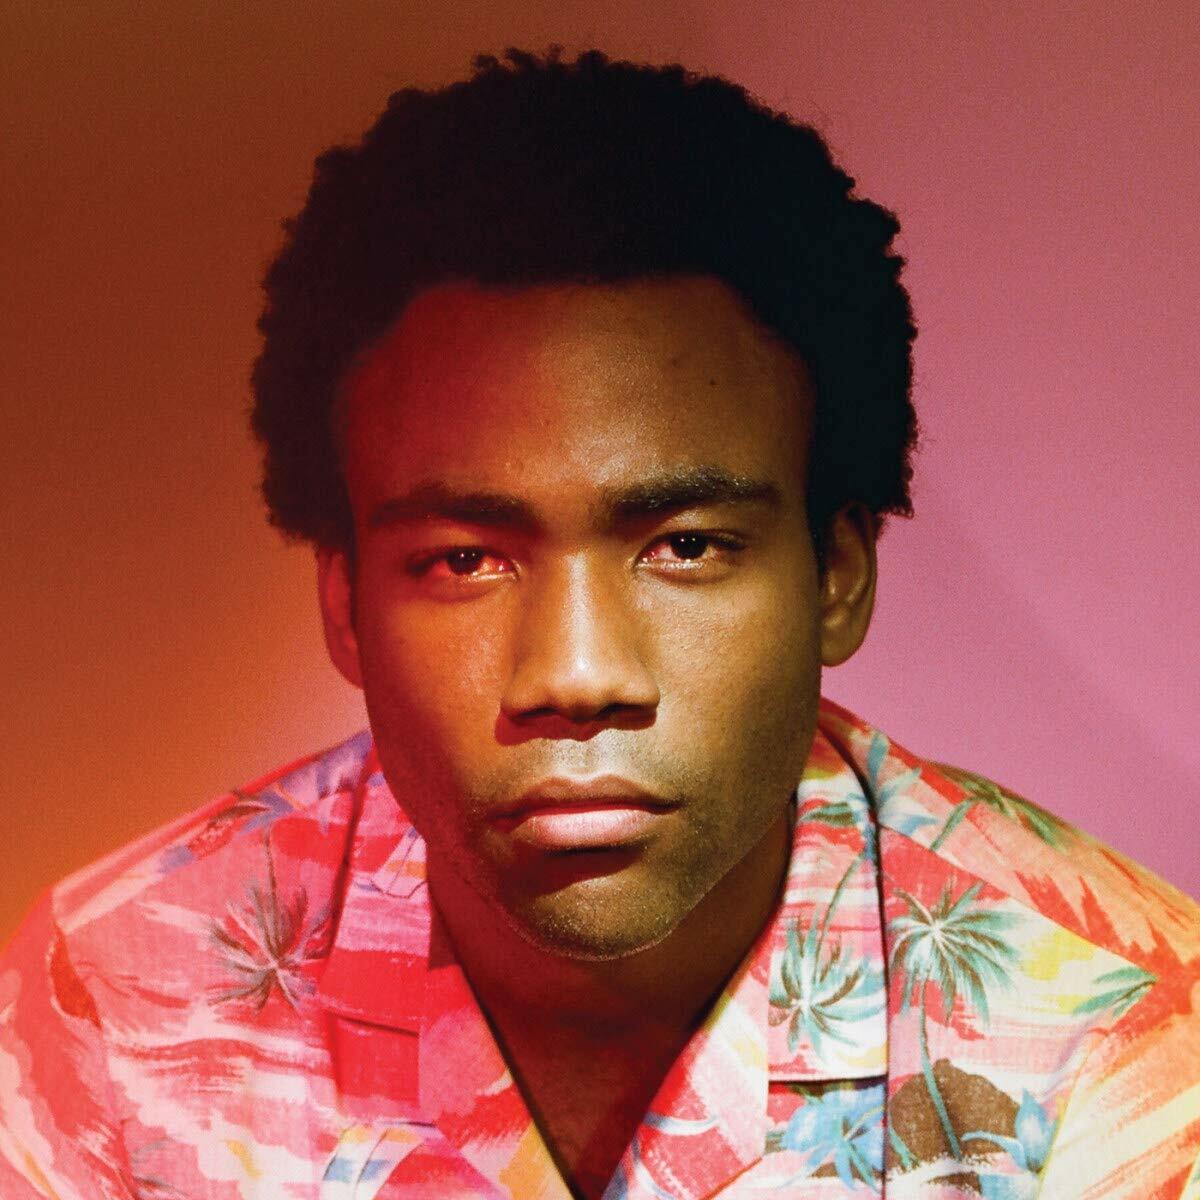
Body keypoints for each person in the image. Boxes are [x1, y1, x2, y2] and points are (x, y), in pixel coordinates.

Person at [1, 46, 1196, 1200]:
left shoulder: (1112, 1029)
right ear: (345, 606)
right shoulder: (111, 1003)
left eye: (687, 546)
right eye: (464, 559)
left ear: (837, 574)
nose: (576, 674)